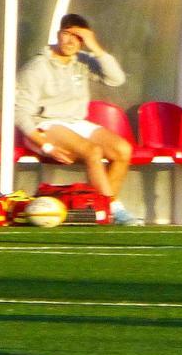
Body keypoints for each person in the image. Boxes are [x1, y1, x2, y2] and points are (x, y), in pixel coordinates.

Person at [15, 13, 143, 226]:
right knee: (93, 151)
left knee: (123, 150)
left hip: (75, 122)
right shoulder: (37, 66)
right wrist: (46, 146)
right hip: (44, 125)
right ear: (58, 34)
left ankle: (101, 209)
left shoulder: (82, 61)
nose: (71, 41)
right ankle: (113, 208)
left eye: (78, 37)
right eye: (67, 34)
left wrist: (95, 47)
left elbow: (117, 79)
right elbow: (20, 112)